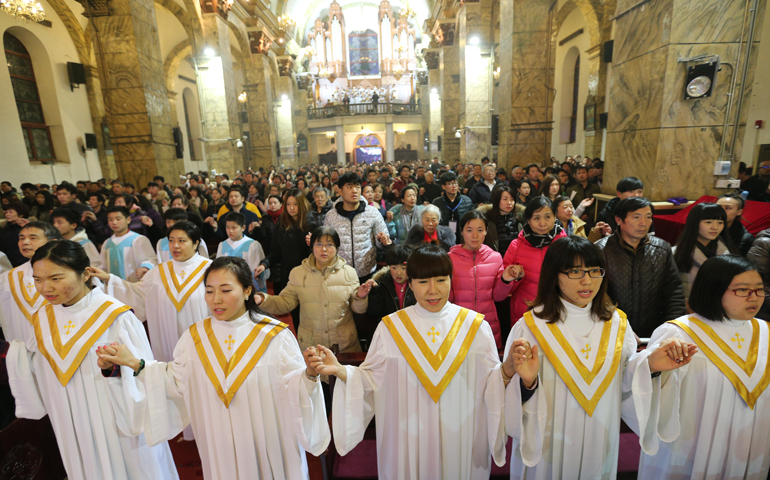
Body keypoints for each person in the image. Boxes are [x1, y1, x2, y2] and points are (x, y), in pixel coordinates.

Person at [94, 256, 330, 479]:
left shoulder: (275, 336)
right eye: (209, 291)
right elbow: (175, 382)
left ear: (248, 291)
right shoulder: (195, 337)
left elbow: (294, 389)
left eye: (226, 290)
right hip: (219, 443)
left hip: (266, 440)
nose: (216, 299)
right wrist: (134, 362)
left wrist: (309, 375)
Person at [310, 244, 518, 479]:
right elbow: (370, 380)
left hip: (460, 435)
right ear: (410, 284)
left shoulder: (475, 327)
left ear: (451, 279)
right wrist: (341, 370)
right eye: (423, 282)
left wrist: (507, 370)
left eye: (441, 280)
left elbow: (491, 384)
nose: (433, 290)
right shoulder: (391, 328)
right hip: (407, 436)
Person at [504, 235, 694, 479]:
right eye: (575, 272)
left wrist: (650, 366)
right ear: (554, 275)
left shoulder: (616, 324)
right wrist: (527, 383)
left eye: (595, 271)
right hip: (549, 438)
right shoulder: (530, 327)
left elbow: (624, 383)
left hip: (601, 434)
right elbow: (510, 388)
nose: (587, 281)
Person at [3, 240, 178, 480]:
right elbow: (42, 366)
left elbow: (142, 372)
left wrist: (114, 369)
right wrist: (18, 357)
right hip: (68, 415)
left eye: (56, 278)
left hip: (114, 417)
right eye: (38, 279)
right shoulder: (43, 317)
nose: (45, 288)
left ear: (85, 274)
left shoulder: (115, 316)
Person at [627, 255, 770, 479]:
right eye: (743, 290)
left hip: (751, 442)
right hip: (691, 446)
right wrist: (653, 368)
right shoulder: (679, 333)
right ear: (714, 289)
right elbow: (642, 386)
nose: (754, 298)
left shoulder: (765, 332)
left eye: (760, 290)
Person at [93, 221, 212, 366]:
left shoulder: (210, 269)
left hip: (202, 334)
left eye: (182, 241)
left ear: (195, 244)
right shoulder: (159, 271)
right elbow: (138, 293)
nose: (175, 246)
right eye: (171, 240)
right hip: (167, 340)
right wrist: (109, 279)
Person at [255, 227, 370, 354]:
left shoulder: (349, 273)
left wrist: (360, 297)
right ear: (312, 246)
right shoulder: (298, 273)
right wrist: (263, 299)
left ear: (337, 248)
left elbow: (358, 309)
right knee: (313, 373)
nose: (324, 249)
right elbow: (285, 303)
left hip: (344, 345)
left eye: (329, 244)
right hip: (311, 345)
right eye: (319, 244)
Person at [595, 197, 686, 338]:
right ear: (618, 219)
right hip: (612, 332)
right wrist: (619, 327)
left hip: (655, 332)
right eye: (636, 217)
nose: (643, 223)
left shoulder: (662, 249)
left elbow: (673, 292)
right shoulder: (601, 250)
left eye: (648, 217)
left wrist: (673, 329)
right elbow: (597, 297)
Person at [448, 210, 518, 348]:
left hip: (488, 323)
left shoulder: (495, 257)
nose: (475, 235)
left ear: (486, 231)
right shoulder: (450, 258)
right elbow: (448, 297)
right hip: (459, 322)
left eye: (480, 230)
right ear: (461, 231)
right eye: (469, 230)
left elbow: (498, 297)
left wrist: (505, 280)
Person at [503, 196, 568, 324]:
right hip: (525, 313)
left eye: (547, 217)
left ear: (555, 217)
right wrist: (514, 277)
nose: (542, 223)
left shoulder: (564, 245)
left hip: (558, 311)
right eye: (537, 218)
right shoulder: (516, 246)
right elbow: (503, 291)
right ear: (528, 220)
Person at [255, 189, 313, 327]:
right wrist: (264, 264)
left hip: (309, 277)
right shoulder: (282, 225)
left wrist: (313, 243)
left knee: (310, 317)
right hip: (289, 276)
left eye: (295, 204)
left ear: (302, 205)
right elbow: (276, 252)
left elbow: (318, 254)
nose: (291, 208)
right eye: (288, 204)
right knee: (295, 316)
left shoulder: (310, 223)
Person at [324, 173, 391, 281]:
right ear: (340, 191)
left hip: (367, 273)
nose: (354, 190)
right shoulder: (331, 216)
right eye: (349, 187)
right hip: (340, 274)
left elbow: (383, 242)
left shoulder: (372, 213)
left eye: (357, 187)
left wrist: (383, 240)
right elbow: (328, 245)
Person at [0, 222, 61, 342]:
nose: (25, 242)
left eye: (33, 238)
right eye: (21, 238)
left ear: (52, 242)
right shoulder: (8, 277)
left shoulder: (70, 272)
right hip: (22, 345)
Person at [673, 203, 737, 302]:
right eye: (708, 222)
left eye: (720, 222)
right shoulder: (676, 253)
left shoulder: (729, 252)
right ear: (694, 223)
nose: (715, 227)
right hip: (688, 309)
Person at [365, 244, 416, 345]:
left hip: (412, 333)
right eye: (394, 267)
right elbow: (375, 313)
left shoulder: (417, 283)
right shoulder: (381, 283)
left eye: (404, 268)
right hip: (388, 334)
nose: (398, 273)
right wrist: (376, 292)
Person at [100, 206, 157, 282]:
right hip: (113, 287)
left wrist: (145, 267)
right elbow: (103, 266)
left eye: (118, 219)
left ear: (128, 220)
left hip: (134, 286)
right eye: (110, 220)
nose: (114, 222)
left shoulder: (138, 239)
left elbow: (151, 259)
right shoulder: (107, 243)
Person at [215, 212, 267, 291]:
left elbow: (256, 271)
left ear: (243, 228)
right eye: (228, 227)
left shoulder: (252, 245)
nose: (230, 231)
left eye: (234, 228)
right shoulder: (222, 245)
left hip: (247, 287)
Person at [482, 184, 522, 257]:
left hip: (516, 259)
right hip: (494, 259)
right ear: (497, 201)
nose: (509, 203)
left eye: (512, 199)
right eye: (505, 199)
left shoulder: (519, 219)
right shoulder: (487, 219)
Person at [432, 171, 474, 241]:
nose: (454, 186)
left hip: (463, 238)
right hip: (443, 238)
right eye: (450, 184)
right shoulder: (437, 203)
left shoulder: (467, 201)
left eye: (455, 183)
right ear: (443, 187)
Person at [0, 202, 33, 267]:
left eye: (11, 212)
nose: (7, 214)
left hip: (24, 260)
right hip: (8, 261)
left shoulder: (27, 228)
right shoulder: (4, 228)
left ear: (20, 215)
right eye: (6, 212)